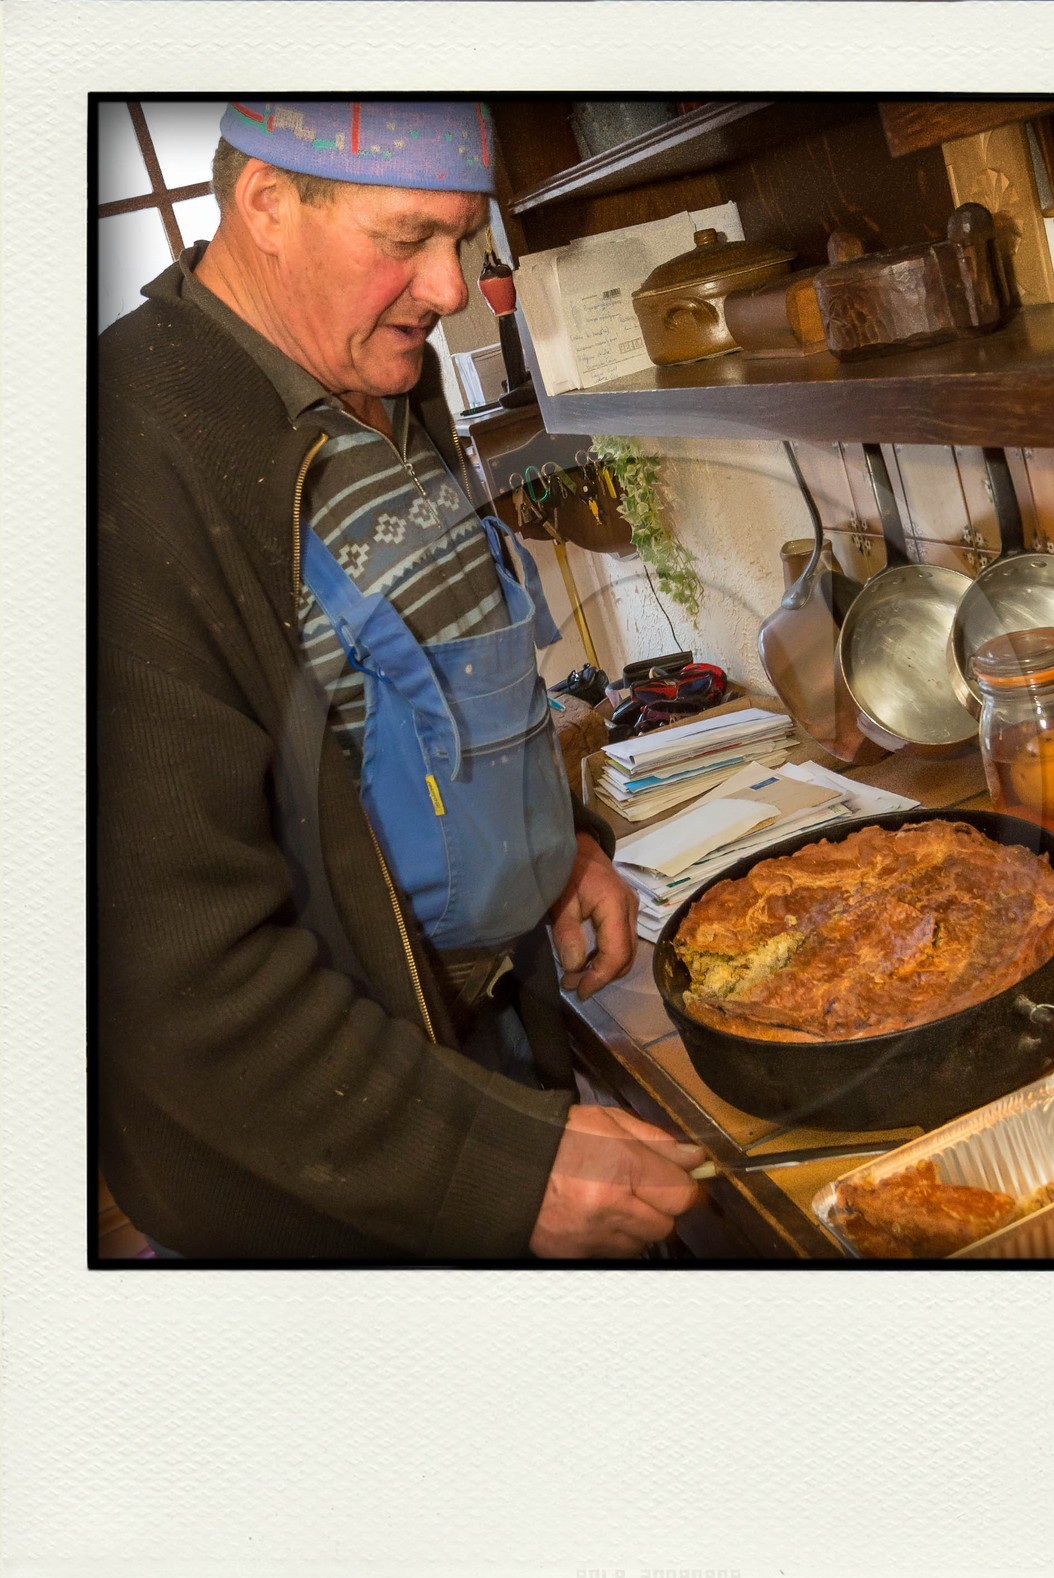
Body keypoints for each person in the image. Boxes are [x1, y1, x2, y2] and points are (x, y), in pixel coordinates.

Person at [97, 99, 703, 1260]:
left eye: (461, 239)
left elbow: (430, 688)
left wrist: (552, 846)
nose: (449, 288)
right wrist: (487, 1164)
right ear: (267, 204)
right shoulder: (120, 453)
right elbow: (166, 971)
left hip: (492, 1036)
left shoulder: (378, 369)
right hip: (326, 1174)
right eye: (406, 238)